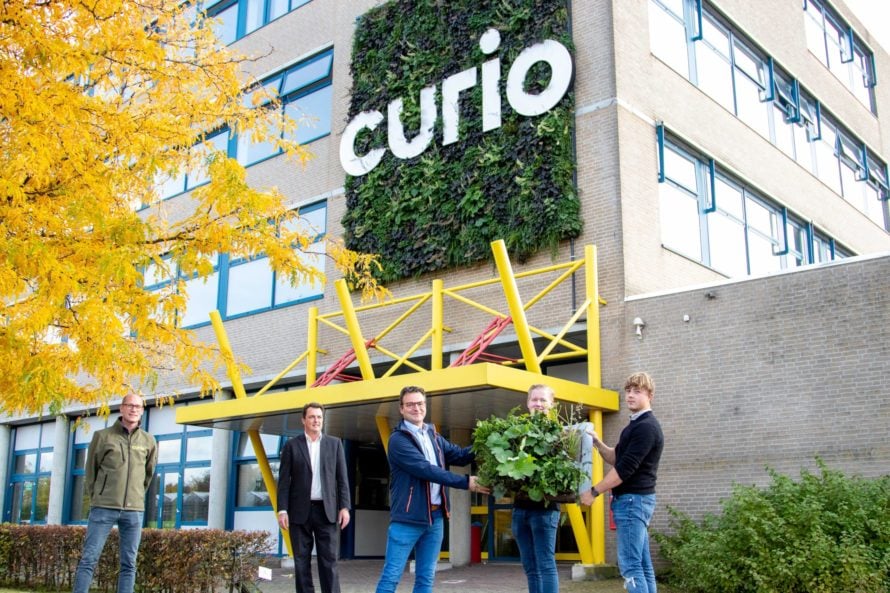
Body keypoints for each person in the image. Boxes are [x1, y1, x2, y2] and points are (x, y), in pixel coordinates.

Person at [375, 386, 490, 593]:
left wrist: (489, 440)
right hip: (407, 519)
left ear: (425, 406)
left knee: (426, 578)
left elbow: (460, 455)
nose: (416, 408)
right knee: (391, 577)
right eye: (410, 404)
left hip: (435, 518)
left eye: (420, 403)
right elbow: (426, 470)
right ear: (401, 409)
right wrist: (466, 482)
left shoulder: (433, 435)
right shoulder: (398, 440)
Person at [512, 384, 594, 593]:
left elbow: (571, 468)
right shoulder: (516, 433)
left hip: (545, 511)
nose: (538, 404)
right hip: (520, 509)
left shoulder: (561, 436)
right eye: (534, 400)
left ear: (552, 405)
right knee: (530, 567)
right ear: (527, 403)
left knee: (546, 565)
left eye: (543, 400)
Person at [587, 372, 664, 593]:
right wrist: (598, 443)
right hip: (635, 501)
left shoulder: (646, 427)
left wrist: (593, 492)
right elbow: (616, 458)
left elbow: (623, 470)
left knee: (631, 567)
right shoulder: (635, 425)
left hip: (633, 502)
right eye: (628, 390)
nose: (630, 396)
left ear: (650, 395)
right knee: (642, 565)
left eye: (637, 391)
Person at [73, 394, 158, 593]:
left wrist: (136, 496)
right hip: (103, 507)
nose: (134, 409)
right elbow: (91, 472)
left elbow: (148, 474)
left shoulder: (148, 441)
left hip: (134, 510)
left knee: (129, 563)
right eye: (130, 405)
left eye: (138, 406)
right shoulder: (102, 436)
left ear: (142, 410)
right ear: (121, 408)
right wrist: (98, 497)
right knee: (89, 559)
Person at [277, 402, 351, 593]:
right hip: (299, 512)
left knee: (329, 561)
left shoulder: (335, 444)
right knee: (301, 562)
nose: (316, 420)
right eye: (312, 417)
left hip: (327, 512)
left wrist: (344, 507)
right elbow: (284, 481)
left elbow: (342, 479)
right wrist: (282, 509)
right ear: (304, 420)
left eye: (319, 417)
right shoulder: (292, 446)